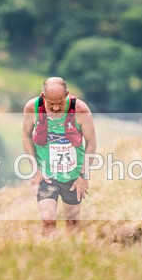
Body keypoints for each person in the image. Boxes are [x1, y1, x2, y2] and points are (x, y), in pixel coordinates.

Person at [22, 77, 97, 235]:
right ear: (43, 96)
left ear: (67, 95)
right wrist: (35, 170)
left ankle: (71, 250)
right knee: (48, 219)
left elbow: (91, 143)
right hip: (46, 174)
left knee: (73, 223)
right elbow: (26, 137)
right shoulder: (32, 108)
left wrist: (83, 176)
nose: (56, 108)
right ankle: (47, 249)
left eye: (60, 103)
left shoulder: (80, 110)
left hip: (72, 176)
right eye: (51, 104)